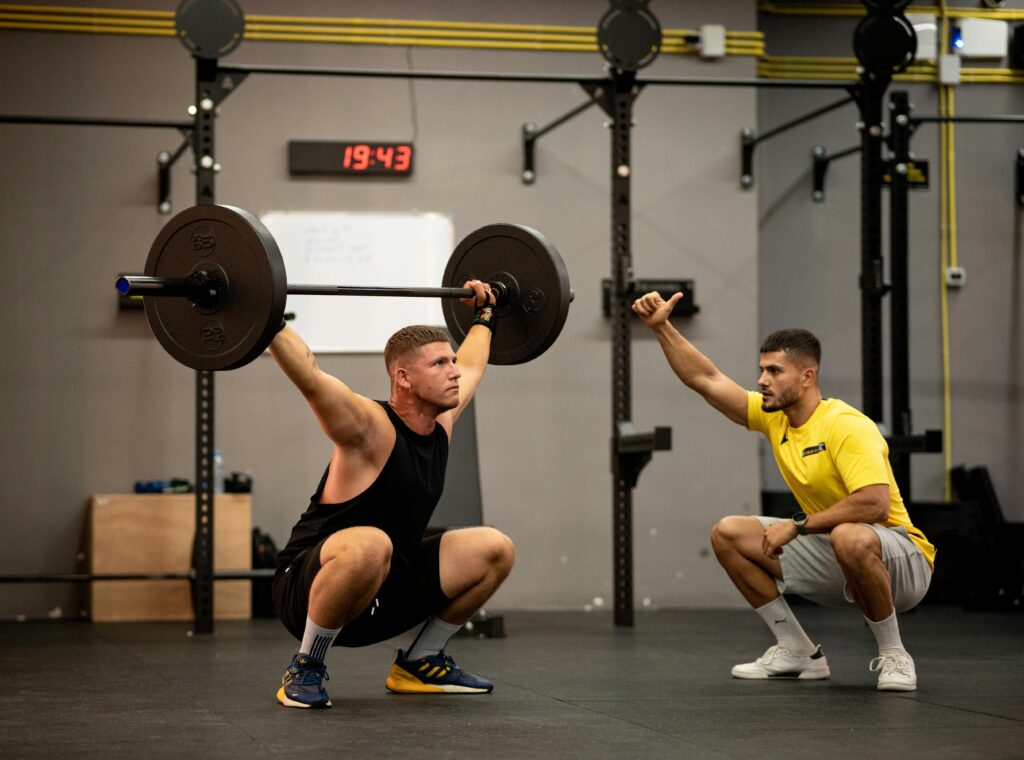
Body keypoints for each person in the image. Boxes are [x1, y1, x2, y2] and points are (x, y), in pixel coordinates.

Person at [631, 291, 935, 692]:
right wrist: (662, 329)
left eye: (774, 371)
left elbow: (874, 503)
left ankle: (895, 654)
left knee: (849, 534)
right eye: (762, 371)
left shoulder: (846, 425)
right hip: (836, 550)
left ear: (807, 376)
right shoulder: (776, 419)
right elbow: (705, 379)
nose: (762, 381)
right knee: (728, 533)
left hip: (903, 560)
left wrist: (798, 525)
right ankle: (796, 650)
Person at [268, 281, 515, 708]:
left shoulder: (443, 421)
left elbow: (473, 363)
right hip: (308, 589)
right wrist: (267, 319)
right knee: (370, 541)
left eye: (450, 360)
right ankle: (306, 664)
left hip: (385, 587)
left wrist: (486, 313)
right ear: (403, 377)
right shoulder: (368, 427)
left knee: (494, 548)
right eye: (439, 364)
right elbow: (309, 376)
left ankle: (420, 661)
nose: (454, 371)